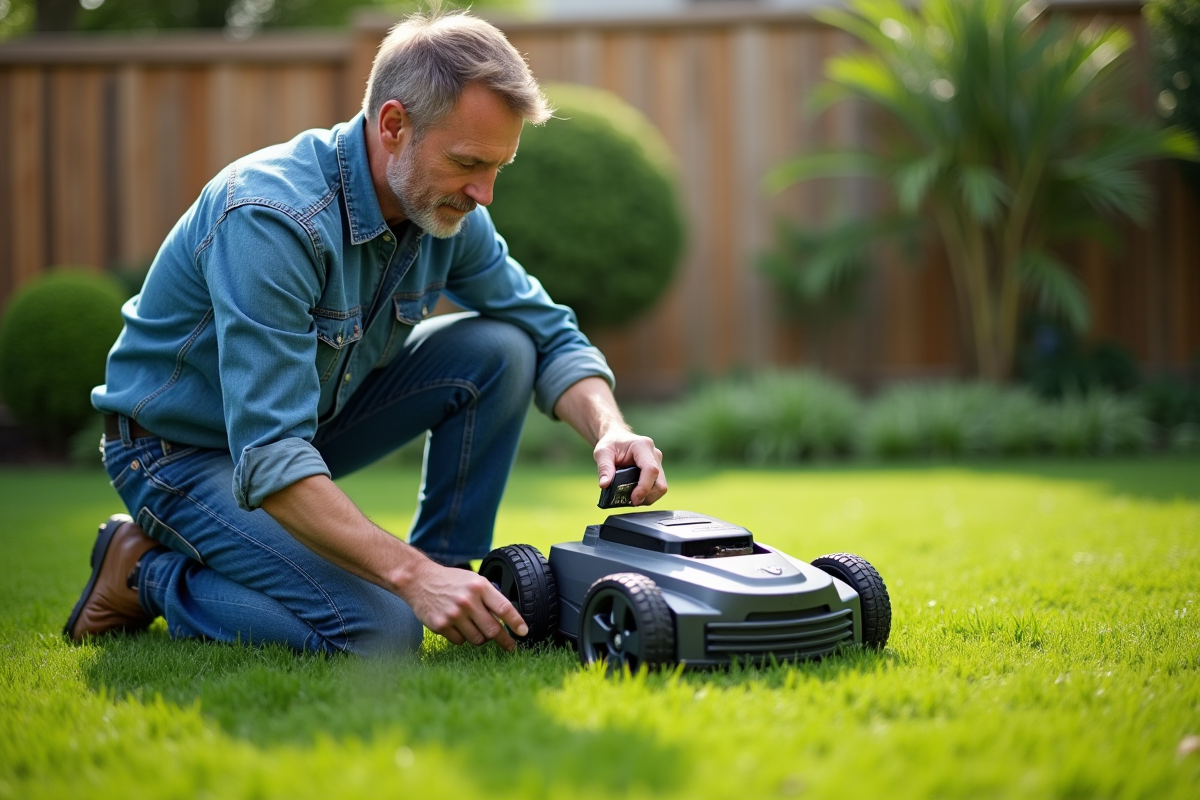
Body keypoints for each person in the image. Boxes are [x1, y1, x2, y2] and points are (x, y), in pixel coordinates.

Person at [64, 8, 667, 656]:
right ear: (393, 126)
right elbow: (270, 455)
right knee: (382, 628)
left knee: (504, 348)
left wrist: (610, 429)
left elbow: (547, 332)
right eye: (468, 162)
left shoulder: (446, 209)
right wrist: (407, 578)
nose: (485, 194)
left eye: (499, 167)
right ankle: (145, 574)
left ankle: (451, 575)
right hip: (177, 453)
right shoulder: (271, 220)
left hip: (306, 426)